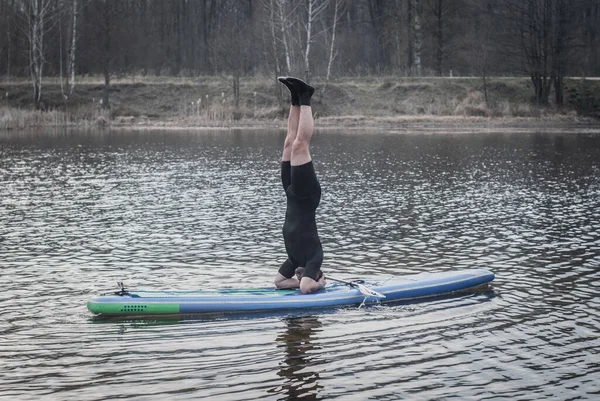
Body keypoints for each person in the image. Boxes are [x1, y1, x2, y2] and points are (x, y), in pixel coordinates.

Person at [273, 76, 326, 294]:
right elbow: (306, 288)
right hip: (305, 196)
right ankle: (304, 96)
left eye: (299, 274)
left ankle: (295, 98)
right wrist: (320, 283)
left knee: (289, 144)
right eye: (301, 274)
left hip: (291, 193)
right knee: (299, 146)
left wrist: (298, 281)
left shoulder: (295, 259)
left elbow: (279, 282)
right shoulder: (314, 258)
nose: (297, 274)